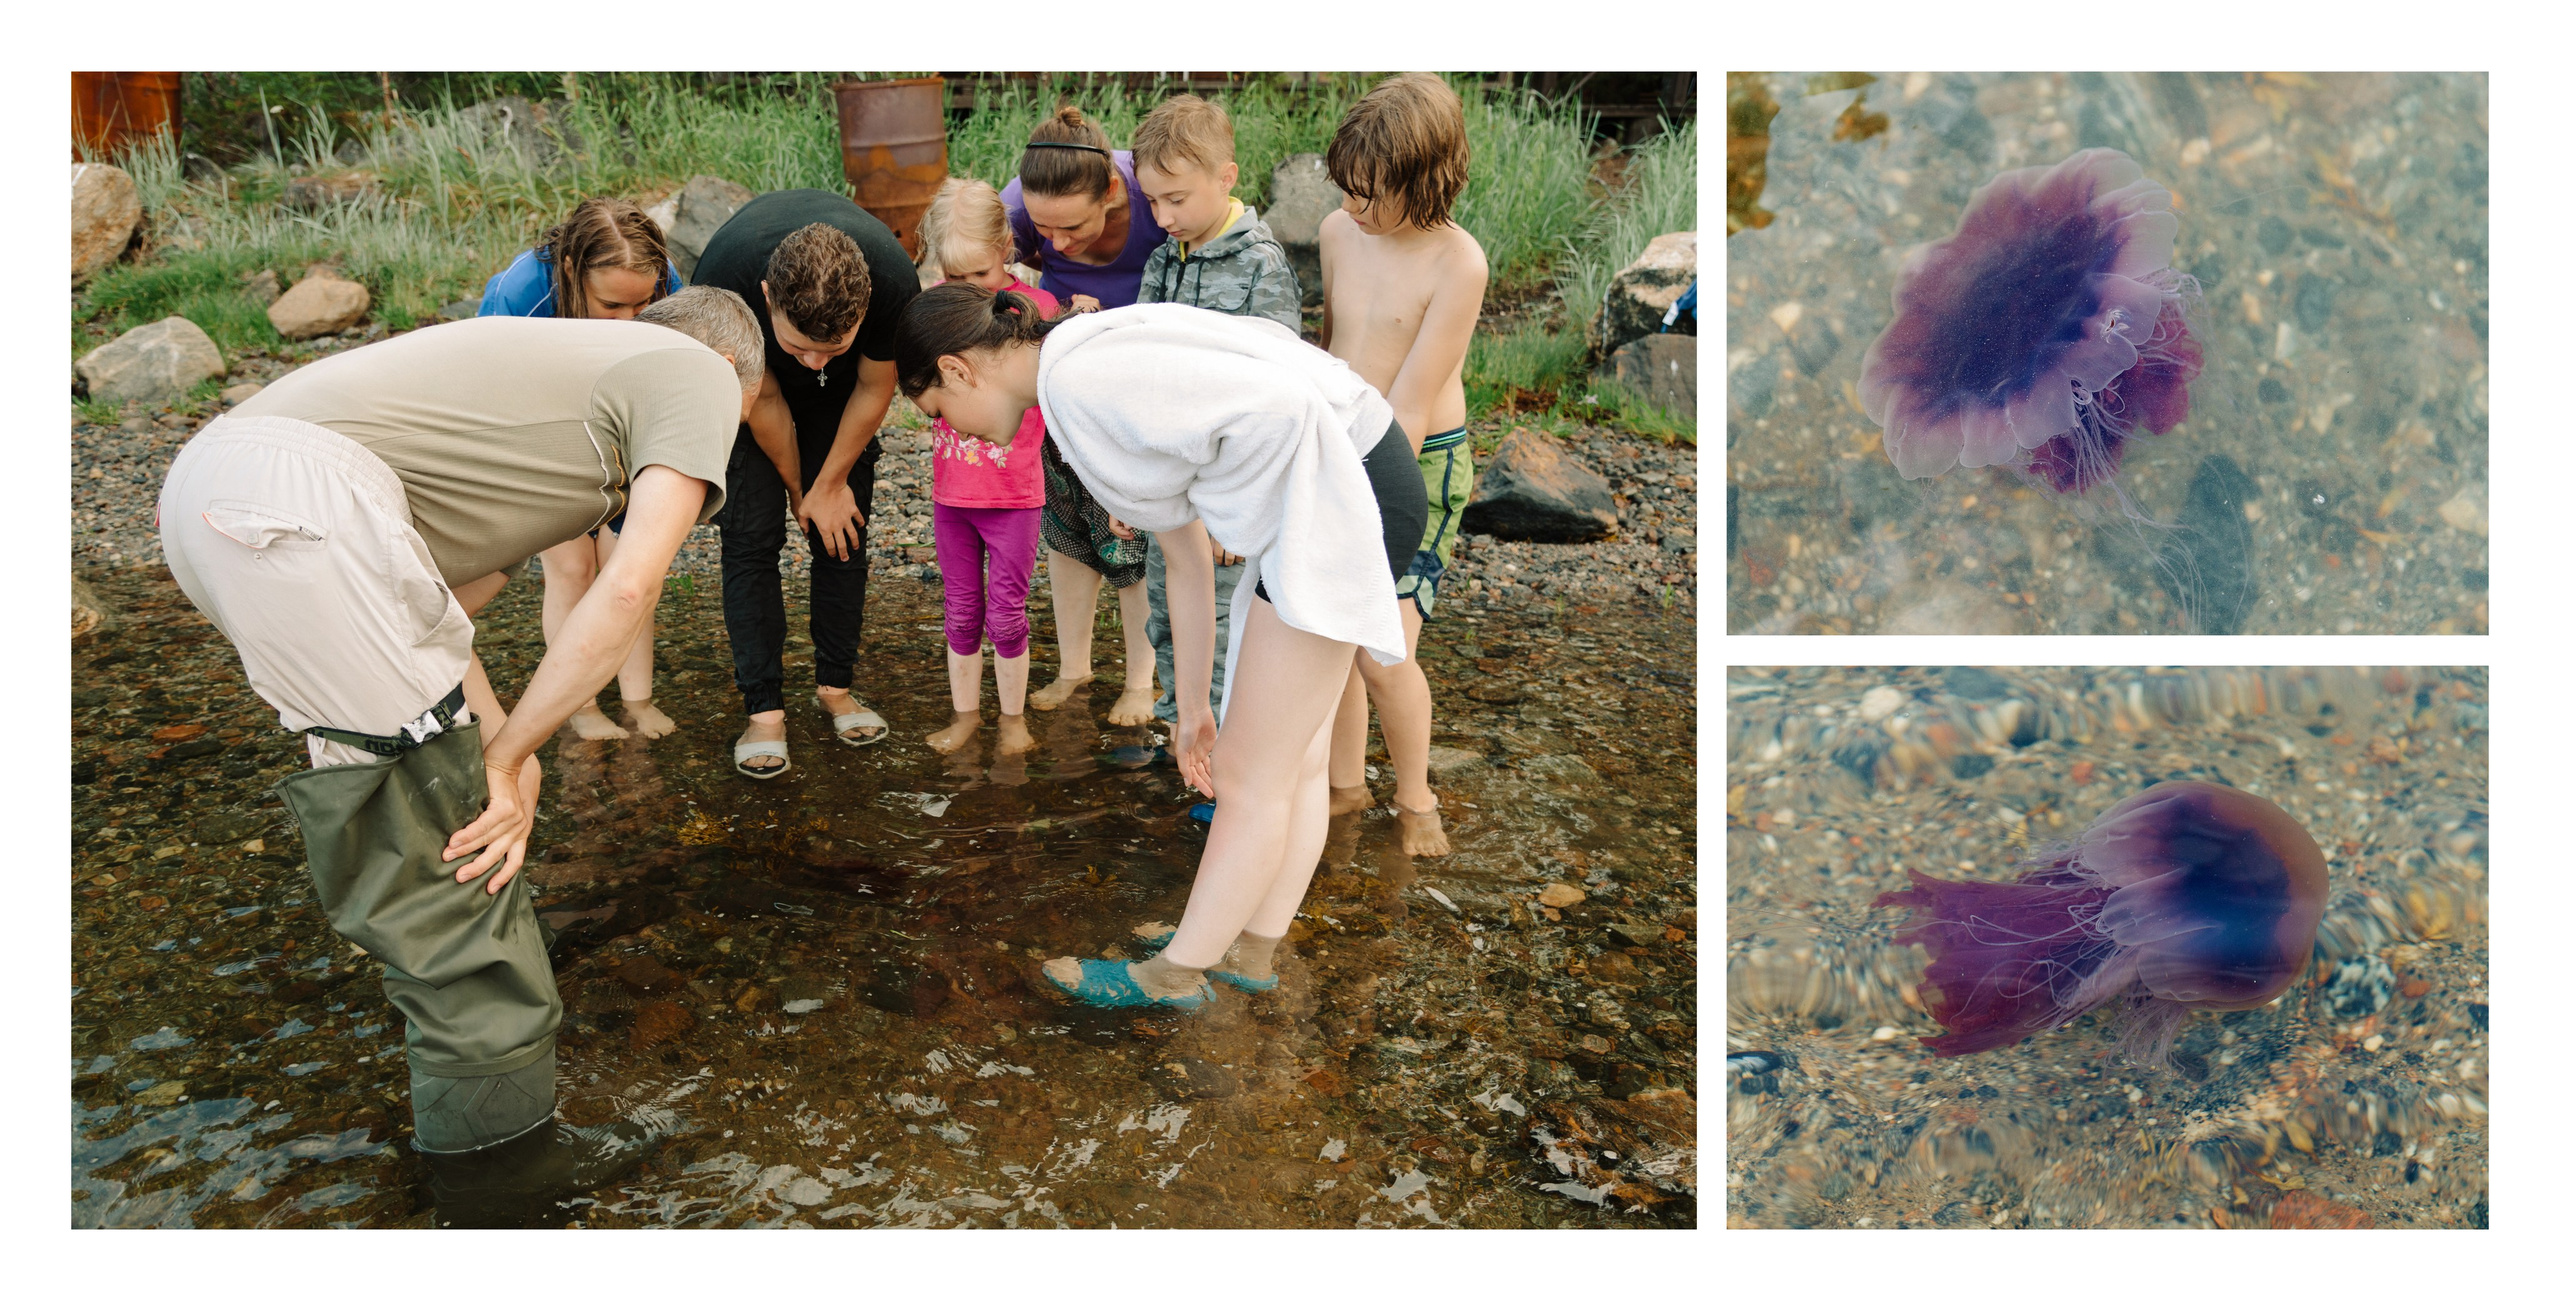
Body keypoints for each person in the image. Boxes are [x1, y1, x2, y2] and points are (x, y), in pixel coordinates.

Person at [156, 289, 765, 1224]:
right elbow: (631, 585)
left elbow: (430, 627)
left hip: (215, 499)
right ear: (733, 375)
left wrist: (500, 756)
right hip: (299, 505)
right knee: (456, 879)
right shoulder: (696, 370)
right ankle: (503, 1185)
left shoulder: (511, 413)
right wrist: (513, 753)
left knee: (414, 820)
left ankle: (476, 1141)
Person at [894, 286, 1426, 1011]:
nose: (960, 433)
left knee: (1246, 776)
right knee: (1292, 760)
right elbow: (1188, 555)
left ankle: (1176, 971)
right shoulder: (1083, 348)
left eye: (937, 412)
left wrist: (1197, 708)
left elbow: (1185, 550)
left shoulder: (1077, 392)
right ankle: (1248, 947)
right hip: (1367, 461)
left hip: (1340, 489)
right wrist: (1195, 703)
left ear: (956, 370)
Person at [688, 190, 922, 777]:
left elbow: (874, 389)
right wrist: (801, 491)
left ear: (864, 309)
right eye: (800, 347)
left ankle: (835, 687)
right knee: (750, 538)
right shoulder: (727, 282)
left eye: (831, 348)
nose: (814, 362)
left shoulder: (893, 283)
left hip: (846, 399)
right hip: (747, 391)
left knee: (842, 534)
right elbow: (763, 397)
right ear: (767, 299)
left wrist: (833, 482)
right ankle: (763, 710)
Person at [1316, 73, 1489, 858]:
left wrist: (1366, 491)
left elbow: (1413, 402)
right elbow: (1333, 351)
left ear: (1426, 181)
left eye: (1371, 194)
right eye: (1347, 190)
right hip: (1339, 445)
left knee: (1385, 650)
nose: (1354, 208)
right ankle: (1344, 787)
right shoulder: (1335, 232)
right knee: (1337, 637)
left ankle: (1416, 797)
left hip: (1418, 462)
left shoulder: (1459, 263)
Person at [1130, 93, 1303, 820]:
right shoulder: (1164, 259)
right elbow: (1140, 368)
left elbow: (1276, 393)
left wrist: (1240, 513)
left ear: (1225, 176)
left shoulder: (1262, 265)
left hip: (1228, 492)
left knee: (1227, 630)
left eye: (1176, 199)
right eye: (1152, 201)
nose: (1163, 217)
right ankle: (1183, 734)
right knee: (1168, 615)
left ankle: (1230, 771)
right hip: (1172, 481)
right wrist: (1128, 487)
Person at [477, 196, 687, 743]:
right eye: (612, 306)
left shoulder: (663, 275)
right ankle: (583, 706)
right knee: (572, 568)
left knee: (631, 567)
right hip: (538, 425)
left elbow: (676, 371)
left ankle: (637, 699)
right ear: (572, 272)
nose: (629, 321)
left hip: (624, 420)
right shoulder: (522, 293)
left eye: (642, 306)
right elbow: (502, 404)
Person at [1000, 105, 1171, 725]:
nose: (1059, 244)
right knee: (1067, 534)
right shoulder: (1020, 204)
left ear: (1111, 191)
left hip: (1144, 400)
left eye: (1073, 228)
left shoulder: (1156, 199)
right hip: (1069, 398)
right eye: (1047, 232)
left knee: (1132, 547)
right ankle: (1075, 666)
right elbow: (989, 281)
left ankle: (1141, 680)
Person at [917, 178, 1059, 758]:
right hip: (953, 493)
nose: (967, 288)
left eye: (978, 275)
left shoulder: (1036, 309)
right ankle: (966, 716)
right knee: (960, 609)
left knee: (1006, 612)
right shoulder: (932, 314)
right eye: (954, 277)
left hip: (1015, 493)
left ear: (1007, 247)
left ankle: (1013, 719)